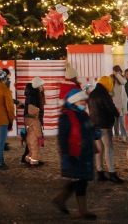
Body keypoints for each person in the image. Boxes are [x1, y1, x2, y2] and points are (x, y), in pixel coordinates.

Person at [52, 87, 97, 219]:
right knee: (80, 181)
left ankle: (60, 199)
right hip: (75, 154)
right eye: (81, 100)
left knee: (78, 180)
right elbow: (62, 138)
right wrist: (66, 155)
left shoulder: (83, 115)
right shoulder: (66, 116)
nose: (84, 103)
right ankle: (83, 211)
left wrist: (95, 134)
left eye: (84, 100)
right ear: (74, 101)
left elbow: (88, 131)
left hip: (85, 153)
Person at [89, 76, 123, 182]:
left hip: (94, 125)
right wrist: (117, 113)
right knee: (109, 149)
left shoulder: (93, 93)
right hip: (104, 125)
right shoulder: (104, 94)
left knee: (99, 149)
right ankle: (112, 173)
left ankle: (100, 172)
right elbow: (111, 108)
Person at [20, 77, 44, 167]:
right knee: (34, 147)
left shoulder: (31, 94)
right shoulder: (34, 95)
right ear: (37, 85)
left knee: (30, 145)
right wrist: (40, 135)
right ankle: (34, 162)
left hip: (29, 123)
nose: (42, 86)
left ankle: (28, 159)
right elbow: (32, 111)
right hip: (33, 122)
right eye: (41, 85)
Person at [111, 66, 128, 139]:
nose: (117, 72)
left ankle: (123, 135)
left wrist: (117, 75)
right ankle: (116, 135)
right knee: (115, 121)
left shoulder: (122, 78)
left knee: (121, 121)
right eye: (115, 71)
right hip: (115, 103)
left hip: (121, 103)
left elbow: (123, 82)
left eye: (118, 71)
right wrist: (115, 75)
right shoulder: (112, 78)